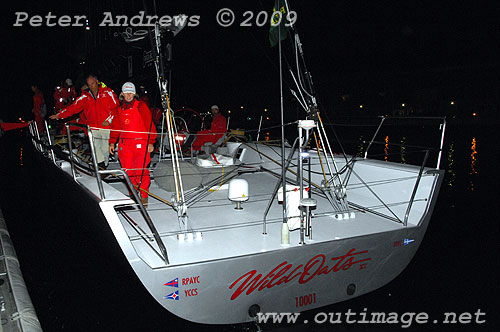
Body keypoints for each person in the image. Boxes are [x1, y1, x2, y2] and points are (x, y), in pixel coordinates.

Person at [50, 74, 119, 168]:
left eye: (93, 83)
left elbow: (116, 108)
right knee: (96, 150)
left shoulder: (108, 92)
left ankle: (104, 165)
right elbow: (73, 107)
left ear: (97, 82)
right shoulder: (85, 96)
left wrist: (109, 120)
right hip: (93, 128)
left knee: (105, 150)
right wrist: (60, 115)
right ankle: (100, 168)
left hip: (105, 127)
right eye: (89, 84)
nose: (91, 86)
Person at [109, 82, 156, 205]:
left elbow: (149, 124)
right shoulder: (119, 109)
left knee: (141, 171)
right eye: (126, 93)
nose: (128, 95)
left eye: (131, 93)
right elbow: (115, 127)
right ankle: (133, 195)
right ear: (122, 94)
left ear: (134, 94)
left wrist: (151, 142)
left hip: (141, 144)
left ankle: (144, 195)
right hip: (125, 146)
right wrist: (112, 142)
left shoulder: (141, 106)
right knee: (128, 171)